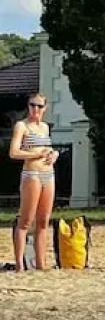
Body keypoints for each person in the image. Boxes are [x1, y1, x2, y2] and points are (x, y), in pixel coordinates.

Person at [9, 93, 58, 271]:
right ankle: (20, 265)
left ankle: (41, 263)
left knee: (43, 221)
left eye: (39, 106)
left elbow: (48, 148)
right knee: (25, 220)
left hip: (48, 173)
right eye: (32, 105)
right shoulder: (22, 126)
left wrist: (54, 155)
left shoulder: (44, 127)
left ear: (45, 108)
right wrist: (36, 154)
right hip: (32, 173)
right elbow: (14, 152)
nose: (35, 109)